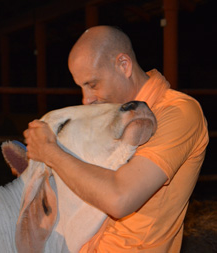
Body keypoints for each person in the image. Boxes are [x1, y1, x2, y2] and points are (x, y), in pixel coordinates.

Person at [24, 26, 208, 252]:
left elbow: (120, 199)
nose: (86, 99)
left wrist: (50, 153)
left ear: (124, 65)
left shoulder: (178, 112)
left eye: (92, 84)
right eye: (81, 87)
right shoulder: (106, 115)